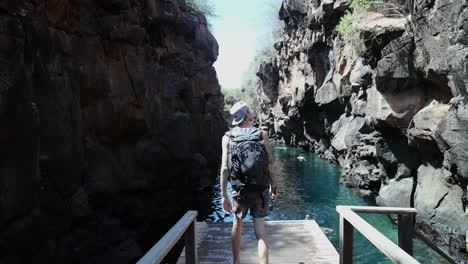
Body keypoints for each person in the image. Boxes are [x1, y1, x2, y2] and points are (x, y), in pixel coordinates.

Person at [220, 101, 277, 264]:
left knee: (237, 224)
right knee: (260, 232)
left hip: (239, 191)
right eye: (250, 111)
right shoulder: (261, 134)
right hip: (260, 189)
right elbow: (270, 164)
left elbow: (224, 168)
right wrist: (274, 186)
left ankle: (236, 260)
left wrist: (223, 195)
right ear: (247, 115)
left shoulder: (227, 137)